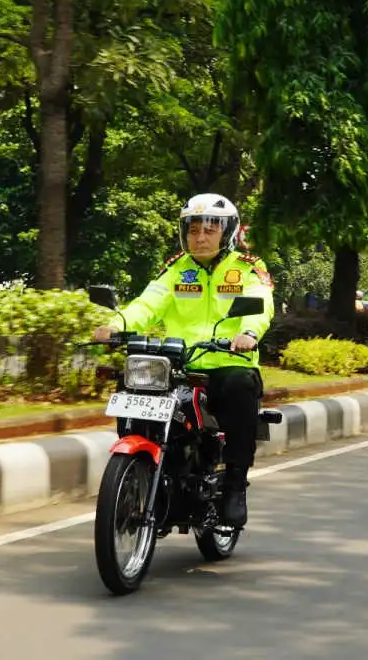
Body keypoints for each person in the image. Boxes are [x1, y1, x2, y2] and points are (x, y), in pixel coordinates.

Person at [92, 193, 274, 527]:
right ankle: (144, 465)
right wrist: (115, 326)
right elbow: (147, 305)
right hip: (178, 363)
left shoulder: (248, 268)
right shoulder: (176, 268)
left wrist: (247, 333)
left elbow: (261, 303)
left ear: (227, 231)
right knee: (130, 381)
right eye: (193, 230)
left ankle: (235, 484)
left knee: (239, 386)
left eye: (210, 229)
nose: (200, 237)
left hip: (228, 360)